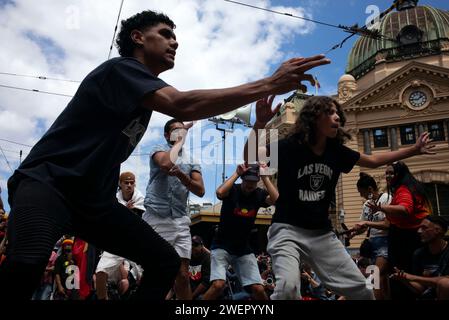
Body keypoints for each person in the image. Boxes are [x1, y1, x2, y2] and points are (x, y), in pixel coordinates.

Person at [0, 9, 330, 300]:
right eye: (166, 35)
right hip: (48, 183)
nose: (175, 43)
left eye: (176, 37)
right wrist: (270, 83)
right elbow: (182, 103)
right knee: (26, 264)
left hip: (93, 204)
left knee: (166, 262)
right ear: (138, 38)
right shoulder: (121, 69)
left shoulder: (140, 99)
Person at [244, 95, 435, 300]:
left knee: (364, 291)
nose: (336, 117)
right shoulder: (291, 146)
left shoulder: (336, 151)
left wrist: (413, 150)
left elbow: (372, 160)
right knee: (288, 289)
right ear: (314, 117)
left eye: (338, 113)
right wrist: (260, 123)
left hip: (321, 235)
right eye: (330, 112)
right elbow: (251, 157)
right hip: (287, 230)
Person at [143, 119, 204, 300]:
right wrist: (179, 142)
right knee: (156, 272)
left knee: (183, 276)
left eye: (182, 130)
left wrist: (180, 174)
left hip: (180, 220)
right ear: (166, 135)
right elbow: (165, 164)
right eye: (175, 130)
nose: (180, 132)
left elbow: (200, 190)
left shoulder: (192, 160)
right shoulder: (158, 150)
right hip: (157, 217)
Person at [202, 163, 279, 300]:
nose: (250, 185)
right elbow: (219, 193)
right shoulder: (233, 190)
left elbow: (277, 200)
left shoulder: (259, 194)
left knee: (259, 289)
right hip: (222, 245)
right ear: (242, 179)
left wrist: (265, 178)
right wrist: (237, 173)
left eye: (253, 182)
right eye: (247, 181)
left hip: (243, 249)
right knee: (218, 285)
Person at [367, 161, 432, 299]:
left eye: (391, 173)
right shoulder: (405, 189)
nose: (388, 176)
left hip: (401, 240)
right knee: (384, 276)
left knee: (382, 275)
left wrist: (380, 208)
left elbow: (404, 210)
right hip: (401, 239)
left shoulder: (400, 190)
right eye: (386, 173)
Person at [95, 171, 145, 300]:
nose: (129, 185)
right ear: (120, 184)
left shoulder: (140, 199)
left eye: (131, 183)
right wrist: (124, 211)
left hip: (136, 243)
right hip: (116, 242)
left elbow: (141, 222)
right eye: (126, 183)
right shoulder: (113, 199)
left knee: (146, 275)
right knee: (100, 272)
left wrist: (126, 213)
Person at [350, 172, 391, 300]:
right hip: (372, 244)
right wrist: (355, 232)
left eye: (361, 192)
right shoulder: (366, 204)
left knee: (375, 277)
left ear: (369, 189)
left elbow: (387, 224)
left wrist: (366, 222)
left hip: (385, 243)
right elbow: (365, 227)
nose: (360, 195)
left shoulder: (387, 199)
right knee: (379, 280)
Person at [390, 216, 449, 300]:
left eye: (424, 228)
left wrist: (412, 277)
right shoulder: (419, 254)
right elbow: (421, 288)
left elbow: (445, 282)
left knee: (445, 283)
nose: (419, 231)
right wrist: (404, 280)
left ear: (438, 230)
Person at [188, 235, 211, 300]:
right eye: (192, 246)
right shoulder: (188, 257)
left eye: (196, 245)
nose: (193, 247)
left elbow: (206, 282)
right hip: (191, 291)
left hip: (204, 291)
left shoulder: (207, 258)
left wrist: (191, 297)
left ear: (201, 246)